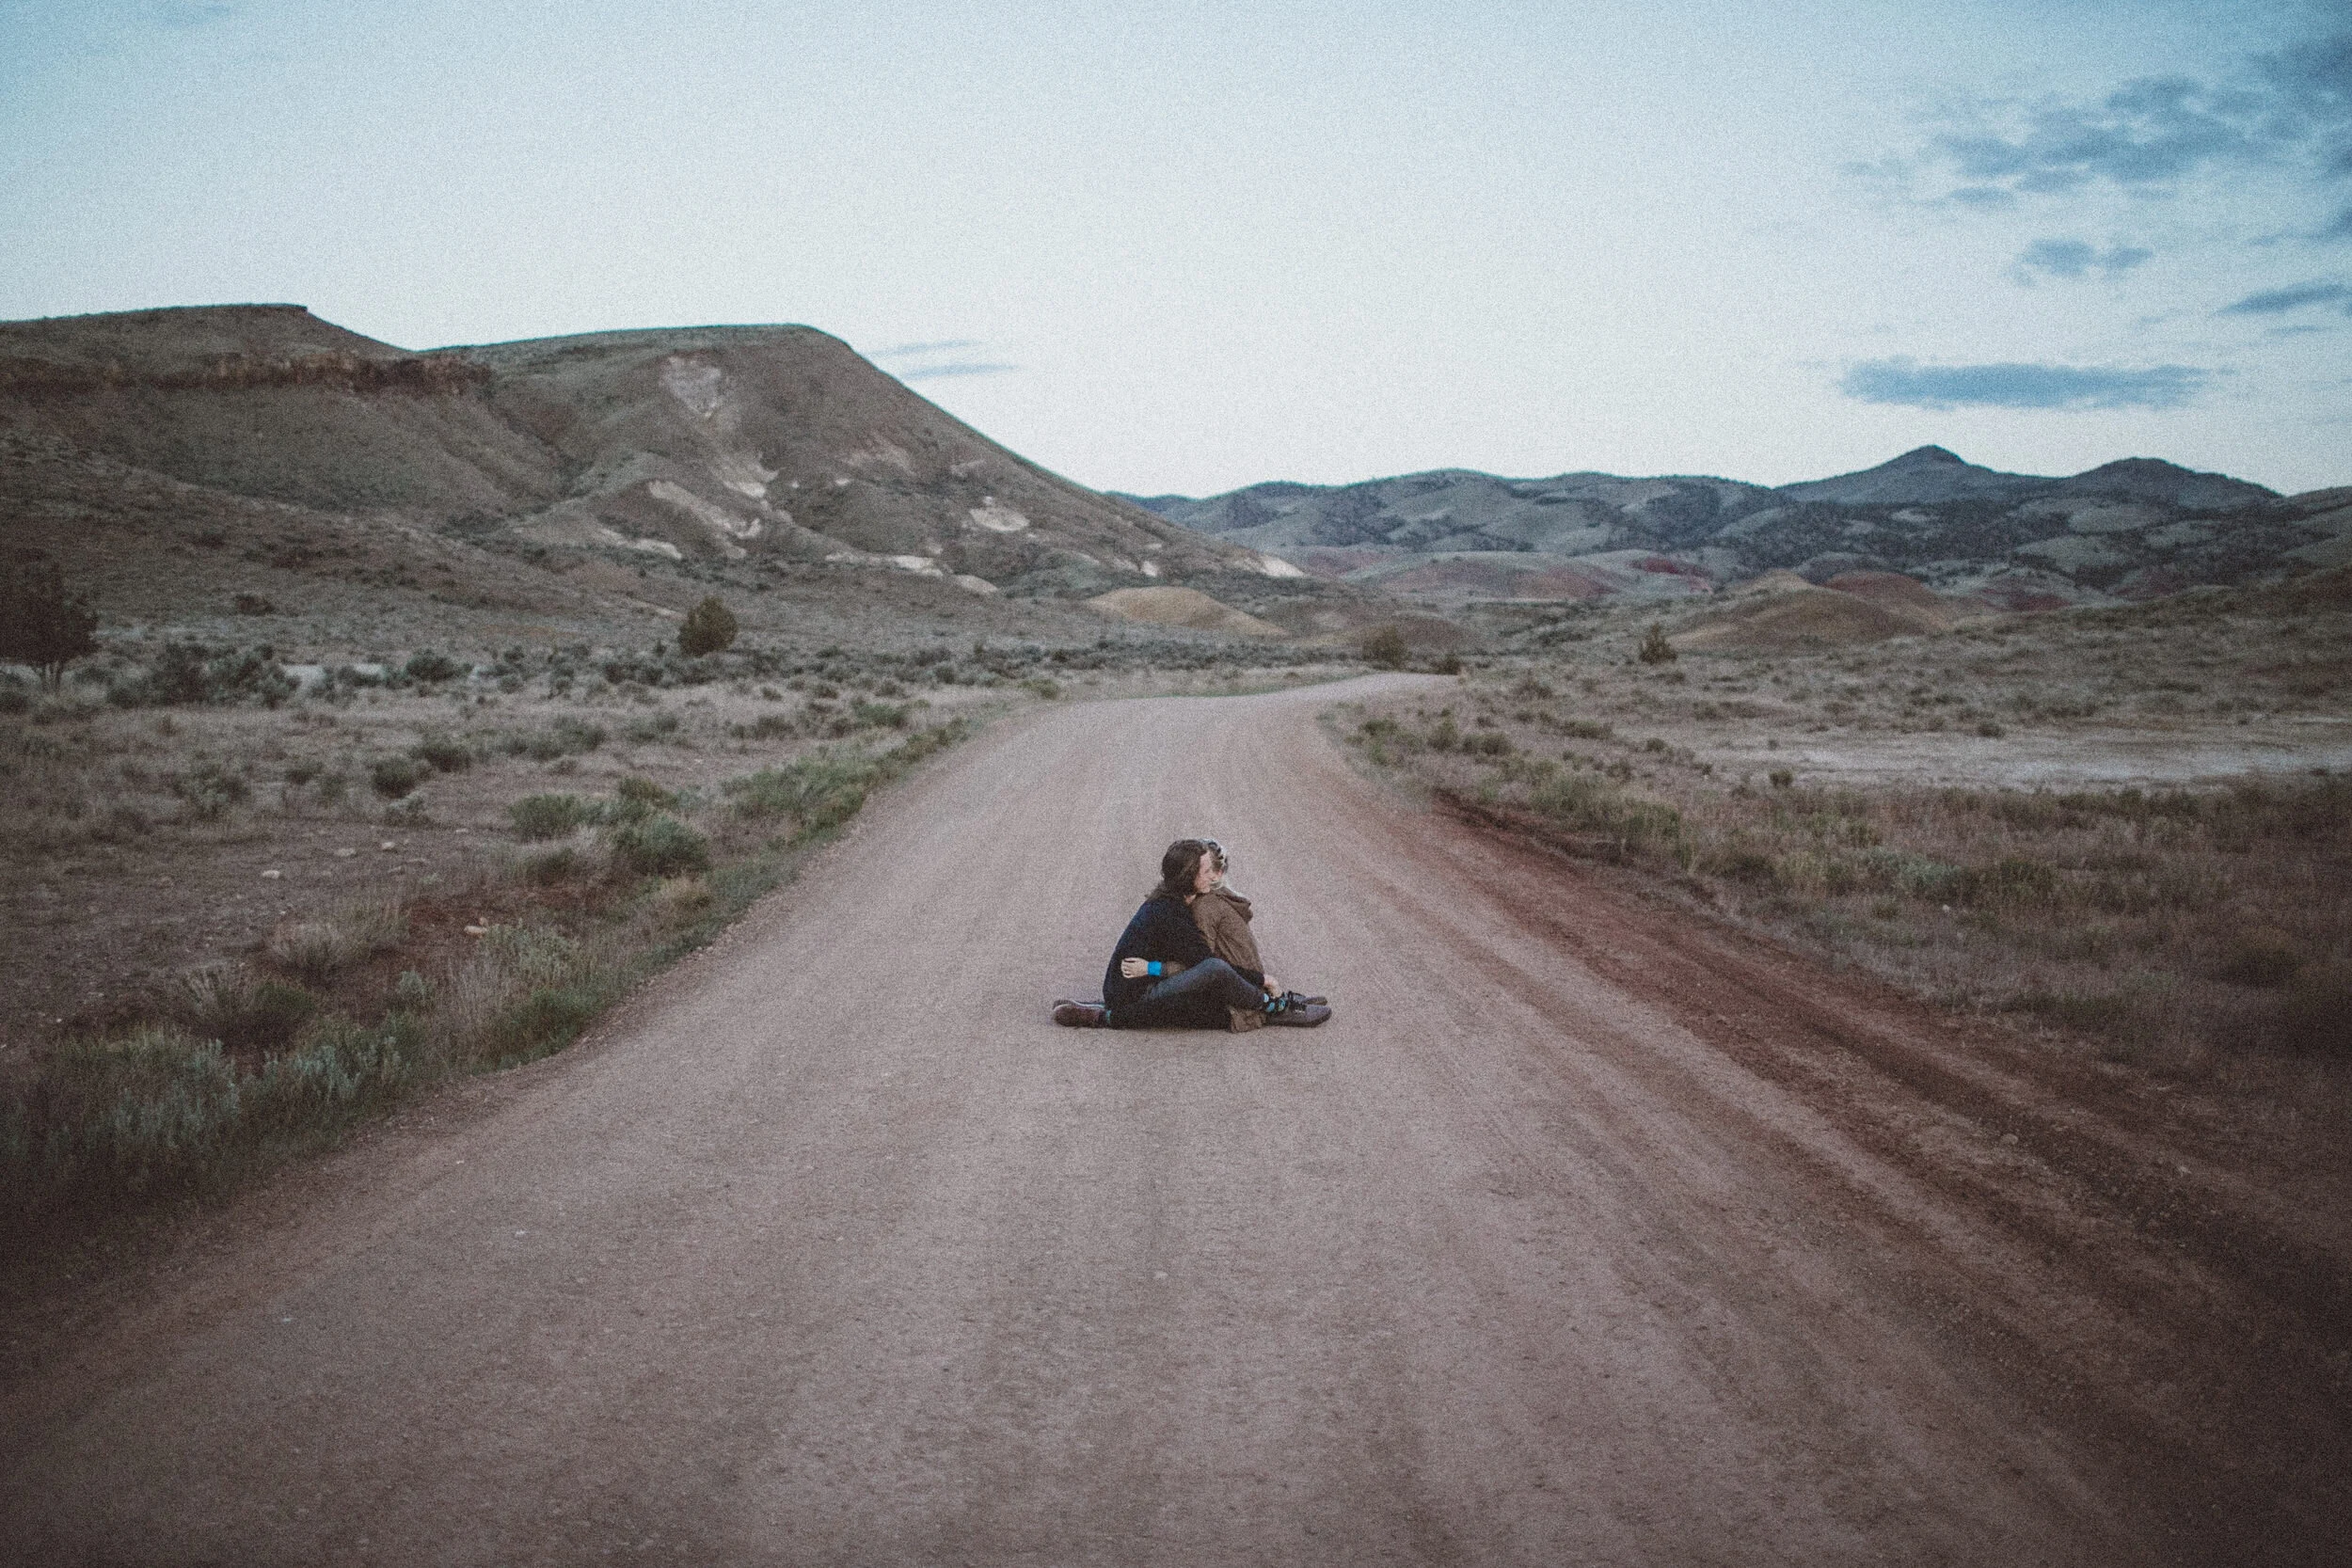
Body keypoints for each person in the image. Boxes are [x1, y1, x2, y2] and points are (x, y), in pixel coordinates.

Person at [1053, 839, 1331, 1029]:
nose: (1214, 876)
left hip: (1135, 985)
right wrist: (1262, 979)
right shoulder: (1169, 913)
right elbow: (1207, 964)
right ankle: (1275, 1008)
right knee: (1214, 969)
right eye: (1207, 870)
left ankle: (1274, 1002)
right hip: (1135, 996)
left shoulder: (1173, 901)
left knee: (1212, 976)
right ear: (1189, 877)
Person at [1189, 839, 1326, 1033]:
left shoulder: (1211, 901)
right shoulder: (1210, 903)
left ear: (1217, 874)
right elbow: (1206, 962)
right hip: (1240, 991)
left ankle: (1269, 999)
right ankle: (1270, 1006)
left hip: (1245, 981)